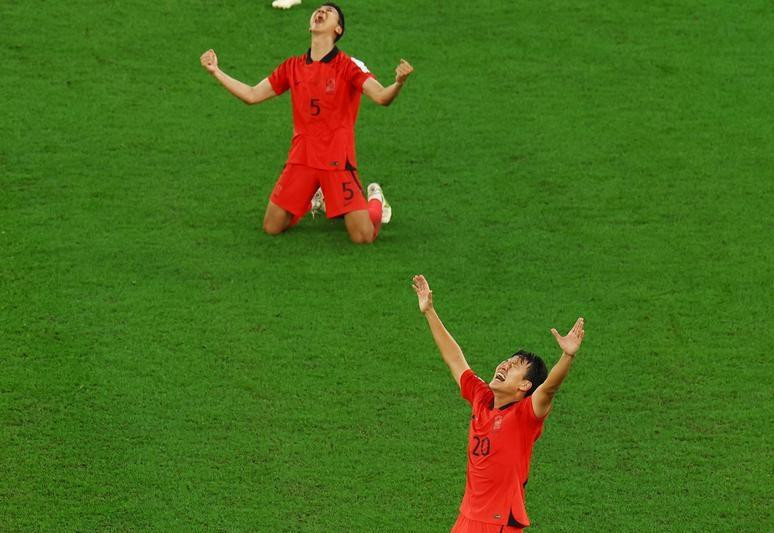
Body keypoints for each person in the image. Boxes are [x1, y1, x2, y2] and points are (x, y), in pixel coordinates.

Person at [200, 3, 414, 243]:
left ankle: (375, 200)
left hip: (336, 161)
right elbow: (252, 95)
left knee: (362, 236)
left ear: (338, 30)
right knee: (272, 226)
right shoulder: (292, 66)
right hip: (302, 159)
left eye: (329, 12)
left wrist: (398, 83)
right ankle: (317, 196)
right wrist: (215, 71)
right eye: (318, 10)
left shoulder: (348, 65)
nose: (320, 12)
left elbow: (382, 97)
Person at [411, 275, 586, 532]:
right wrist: (429, 312)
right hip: (467, 519)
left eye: (515, 366)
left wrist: (567, 356)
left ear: (525, 386)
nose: (505, 364)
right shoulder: (481, 398)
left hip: (499, 523)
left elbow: (548, 389)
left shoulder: (525, 415)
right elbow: (455, 359)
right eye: (508, 360)